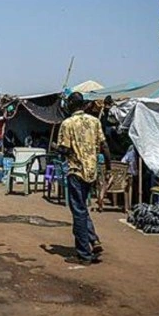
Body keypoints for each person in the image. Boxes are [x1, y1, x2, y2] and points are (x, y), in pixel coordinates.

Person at [56, 92, 110, 265]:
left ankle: (84, 254)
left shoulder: (67, 124)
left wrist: (56, 147)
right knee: (82, 208)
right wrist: (108, 168)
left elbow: (64, 150)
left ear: (70, 105)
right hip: (92, 171)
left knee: (78, 212)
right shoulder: (95, 122)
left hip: (76, 171)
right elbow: (104, 146)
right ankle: (93, 239)